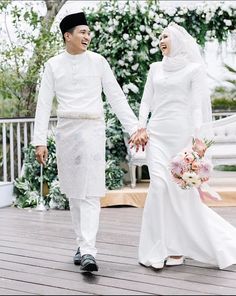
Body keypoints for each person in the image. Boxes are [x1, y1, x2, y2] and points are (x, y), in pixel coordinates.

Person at [33, 11, 139, 272]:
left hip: (93, 129)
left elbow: (115, 96)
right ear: (67, 36)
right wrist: (39, 141)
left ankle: (89, 250)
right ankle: (82, 244)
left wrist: (134, 127)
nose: (87, 36)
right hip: (66, 131)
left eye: (88, 32)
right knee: (74, 192)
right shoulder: (53, 65)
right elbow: (44, 104)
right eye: (82, 31)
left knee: (90, 191)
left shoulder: (98, 61)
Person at [130, 22, 236, 270]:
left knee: (179, 193)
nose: (160, 40)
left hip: (180, 137)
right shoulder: (155, 68)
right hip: (156, 135)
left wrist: (199, 138)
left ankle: (177, 248)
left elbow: (197, 106)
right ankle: (155, 249)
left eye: (165, 36)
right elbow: (146, 101)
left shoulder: (193, 69)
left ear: (178, 39)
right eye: (159, 37)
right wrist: (140, 126)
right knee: (157, 186)